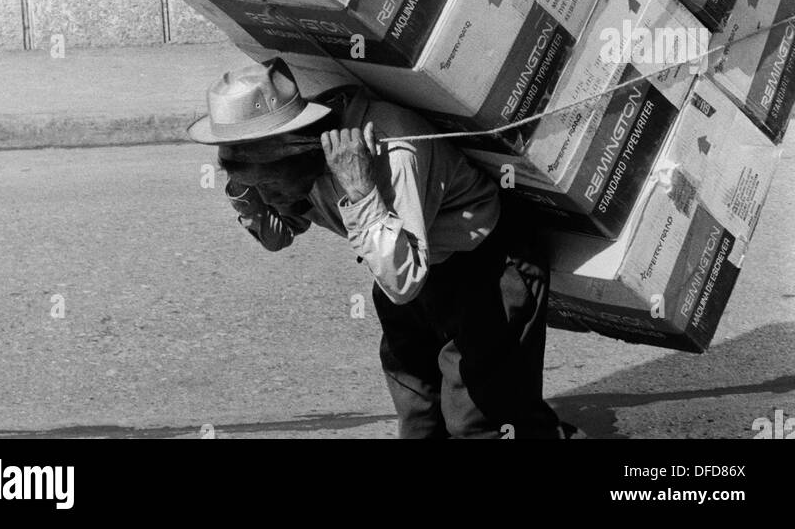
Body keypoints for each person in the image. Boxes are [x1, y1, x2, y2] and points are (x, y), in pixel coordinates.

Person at [189, 56, 580, 440]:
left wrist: (360, 190)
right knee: (420, 420)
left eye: (268, 187)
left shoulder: (388, 148)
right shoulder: (295, 168)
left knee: (480, 422)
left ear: (291, 152)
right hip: (406, 272)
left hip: (485, 268)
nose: (267, 199)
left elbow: (404, 281)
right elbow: (278, 234)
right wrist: (244, 190)